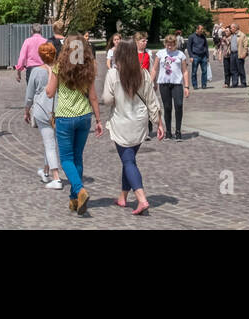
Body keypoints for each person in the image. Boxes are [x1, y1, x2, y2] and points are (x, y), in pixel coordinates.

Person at [101, 39, 164, 215]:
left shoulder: (113, 75)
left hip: (121, 123)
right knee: (129, 160)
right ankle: (123, 197)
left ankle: (142, 199)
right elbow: (152, 101)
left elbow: (107, 100)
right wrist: (159, 123)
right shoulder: (143, 74)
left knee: (128, 161)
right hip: (140, 123)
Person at [46, 34, 104, 215]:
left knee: (66, 159)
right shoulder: (89, 68)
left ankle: (80, 190)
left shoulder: (59, 67)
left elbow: (49, 92)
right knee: (77, 158)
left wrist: (50, 74)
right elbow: (93, 96)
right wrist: (98, 119)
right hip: (84, 116)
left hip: (64, 117)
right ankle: (74, 199)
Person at [24, 42, 64, 189]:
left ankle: (56, 177)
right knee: (51, 141)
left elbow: (29, 95)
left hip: (42, 109)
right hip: (59, 108)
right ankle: (45, 171)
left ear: (40, 55)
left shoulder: (36, 71)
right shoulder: (60, 69)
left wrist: (26, 110)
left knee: (49, 143)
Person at [155, 33, 190, 141]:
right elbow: (154, 69)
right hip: (164, 83)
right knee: (167, 107)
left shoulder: (180, 54)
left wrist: (186, 86)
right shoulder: (160, 53)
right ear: (165, 43)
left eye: (172, 44)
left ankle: (178, 131)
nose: (169, 46)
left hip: (177, 84)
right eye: (167, 44)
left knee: (179, 105)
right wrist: (152, 82)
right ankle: (168, 132)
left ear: (175, 44)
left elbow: (184, 71)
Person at [187, 25, 210, 90]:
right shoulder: (191, 37)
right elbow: (189, 47)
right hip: (195, 56)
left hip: (203, 56)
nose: (202, 30)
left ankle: (204, 84)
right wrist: (191, 56)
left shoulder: (203, 37)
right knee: (194, 72)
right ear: (197, 29)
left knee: (204, 71)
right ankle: (195, 85)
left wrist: (207, 56)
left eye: (202, 29)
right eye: (201, 29)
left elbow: (206, 47)